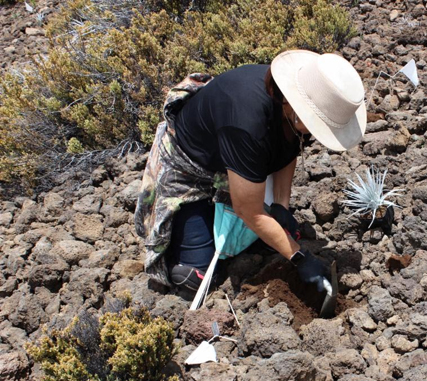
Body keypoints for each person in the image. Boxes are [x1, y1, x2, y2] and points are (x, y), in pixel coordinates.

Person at [134, 50, 367, 294]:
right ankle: (195, 222)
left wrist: (281, 206)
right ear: (295, 105)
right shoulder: (247, 121)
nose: (318, 133)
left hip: (238, 161)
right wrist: (299, 258)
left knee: (268, 233)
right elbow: (249, 211)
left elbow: (289, 146)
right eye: (318, 125)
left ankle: (232, 210)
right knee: (196, 277)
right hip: (189, 169)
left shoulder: (299, 109)